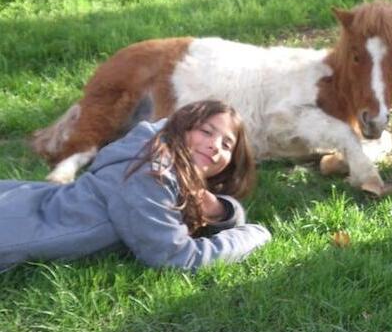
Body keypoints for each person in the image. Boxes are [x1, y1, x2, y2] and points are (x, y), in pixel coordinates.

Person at [0, 100, 271, 272]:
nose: (214, 146)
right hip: (15, 229)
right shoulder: (150, 174)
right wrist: (254, 235)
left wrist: (222, 210)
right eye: (206, 131)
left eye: (227, 144)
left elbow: (193, 218)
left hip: (25, 202)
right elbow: (175, 258)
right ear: (181, 127)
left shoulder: (156, 156)